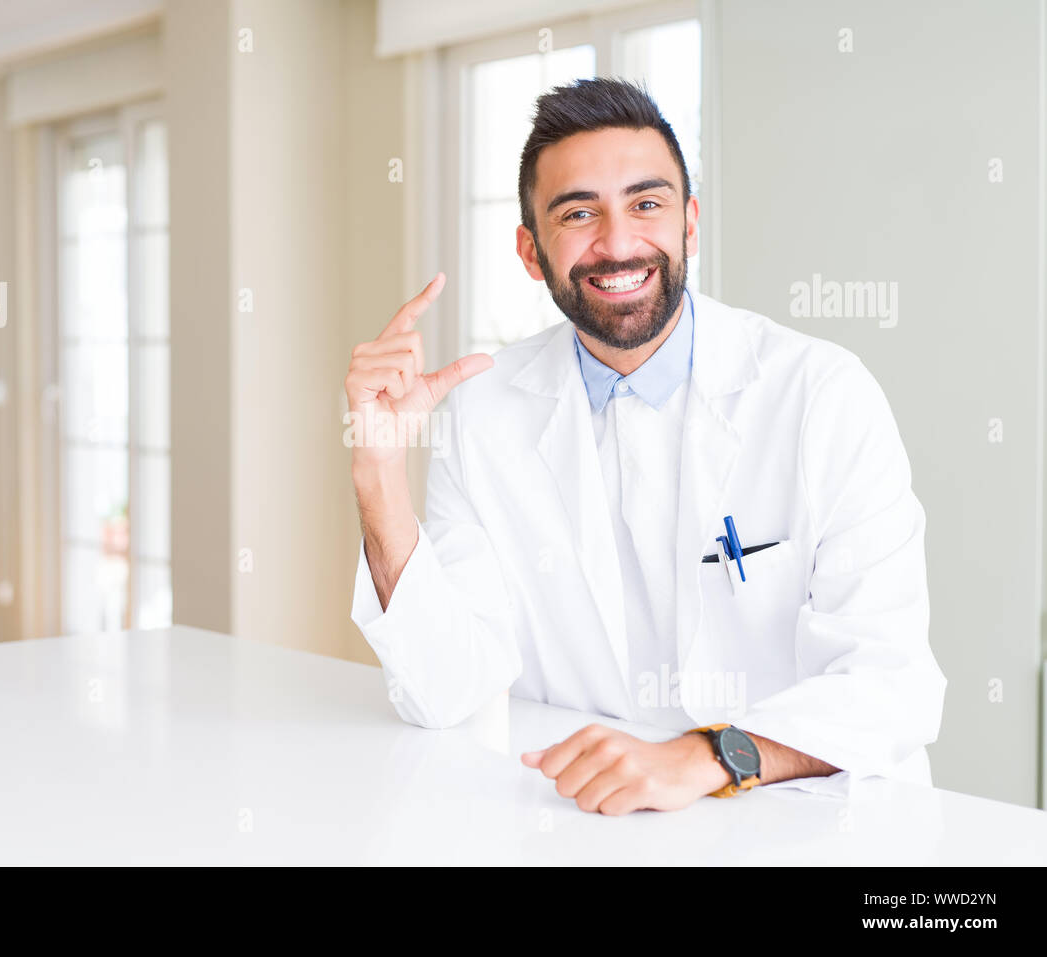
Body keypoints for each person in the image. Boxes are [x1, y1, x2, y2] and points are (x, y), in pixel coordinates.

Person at [344, 77, 945, 815]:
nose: (619, 242)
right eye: (578, 213)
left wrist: (704, 757)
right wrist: (378, 472)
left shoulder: (823, 395)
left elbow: (892, 682)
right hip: (596, 826)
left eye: (647, 204)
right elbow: (446, 690)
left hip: (817, 822)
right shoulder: (482, 413)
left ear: (690, 222)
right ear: (531, 251)